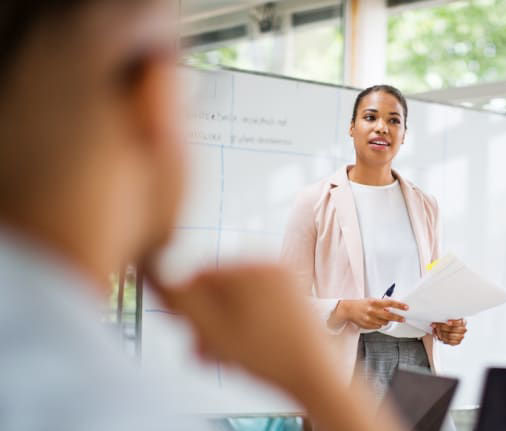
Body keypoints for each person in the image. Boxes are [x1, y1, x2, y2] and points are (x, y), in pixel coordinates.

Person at [0, 1, 403, 430]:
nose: (381, 128)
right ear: (152, 99)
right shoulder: (115, 406)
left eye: (393, 121)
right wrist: (315, 381)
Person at [281, 85, 469, 399]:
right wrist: (343, 309)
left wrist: (448, 323)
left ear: (404, 134)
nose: (382, 126)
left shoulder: (425, 204)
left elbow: (434, 287)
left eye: (394, 120)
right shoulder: (313, 201)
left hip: (418, 359)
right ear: (352, 128)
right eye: (370, 117)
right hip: (351, 358)